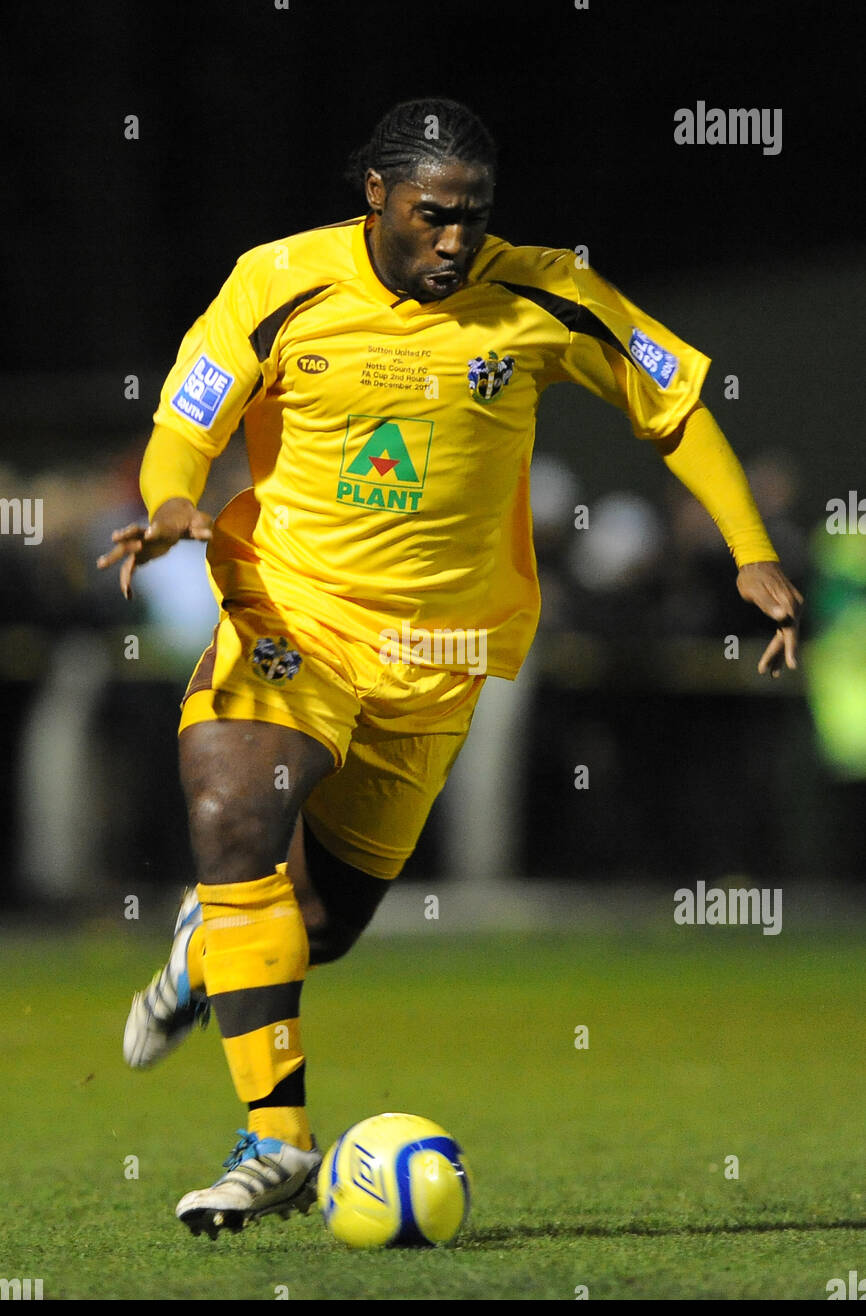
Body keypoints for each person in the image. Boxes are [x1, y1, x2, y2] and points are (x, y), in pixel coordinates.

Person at [98, 96, 802, 1239]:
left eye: (472, 218)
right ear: (372, 196)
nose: (455, 240)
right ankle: (275, 1146)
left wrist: (750, 550)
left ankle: (206, 948)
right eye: (432, 215)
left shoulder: (541, 294)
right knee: (231, 811)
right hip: (290, 616)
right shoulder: (277, 279)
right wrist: (170, 499)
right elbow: (189, 411)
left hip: (437, 659)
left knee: (317, 926)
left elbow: (671, 402)